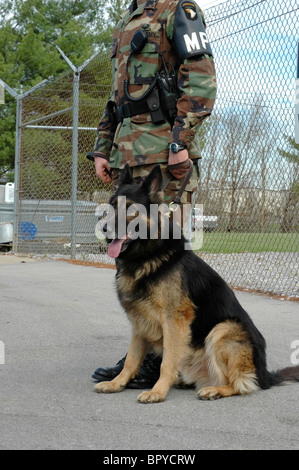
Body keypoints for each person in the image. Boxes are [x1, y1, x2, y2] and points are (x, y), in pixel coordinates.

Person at [87, 0, 217, 388]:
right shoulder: (129, 17)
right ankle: (142, 356)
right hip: (128, 154)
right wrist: (102, 146)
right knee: (128, 256)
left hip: (164, 155)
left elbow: (201, 78)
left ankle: (169, 361)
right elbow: (118, 95)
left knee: (167, 262)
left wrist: (181, 139)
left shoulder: (179, 10)